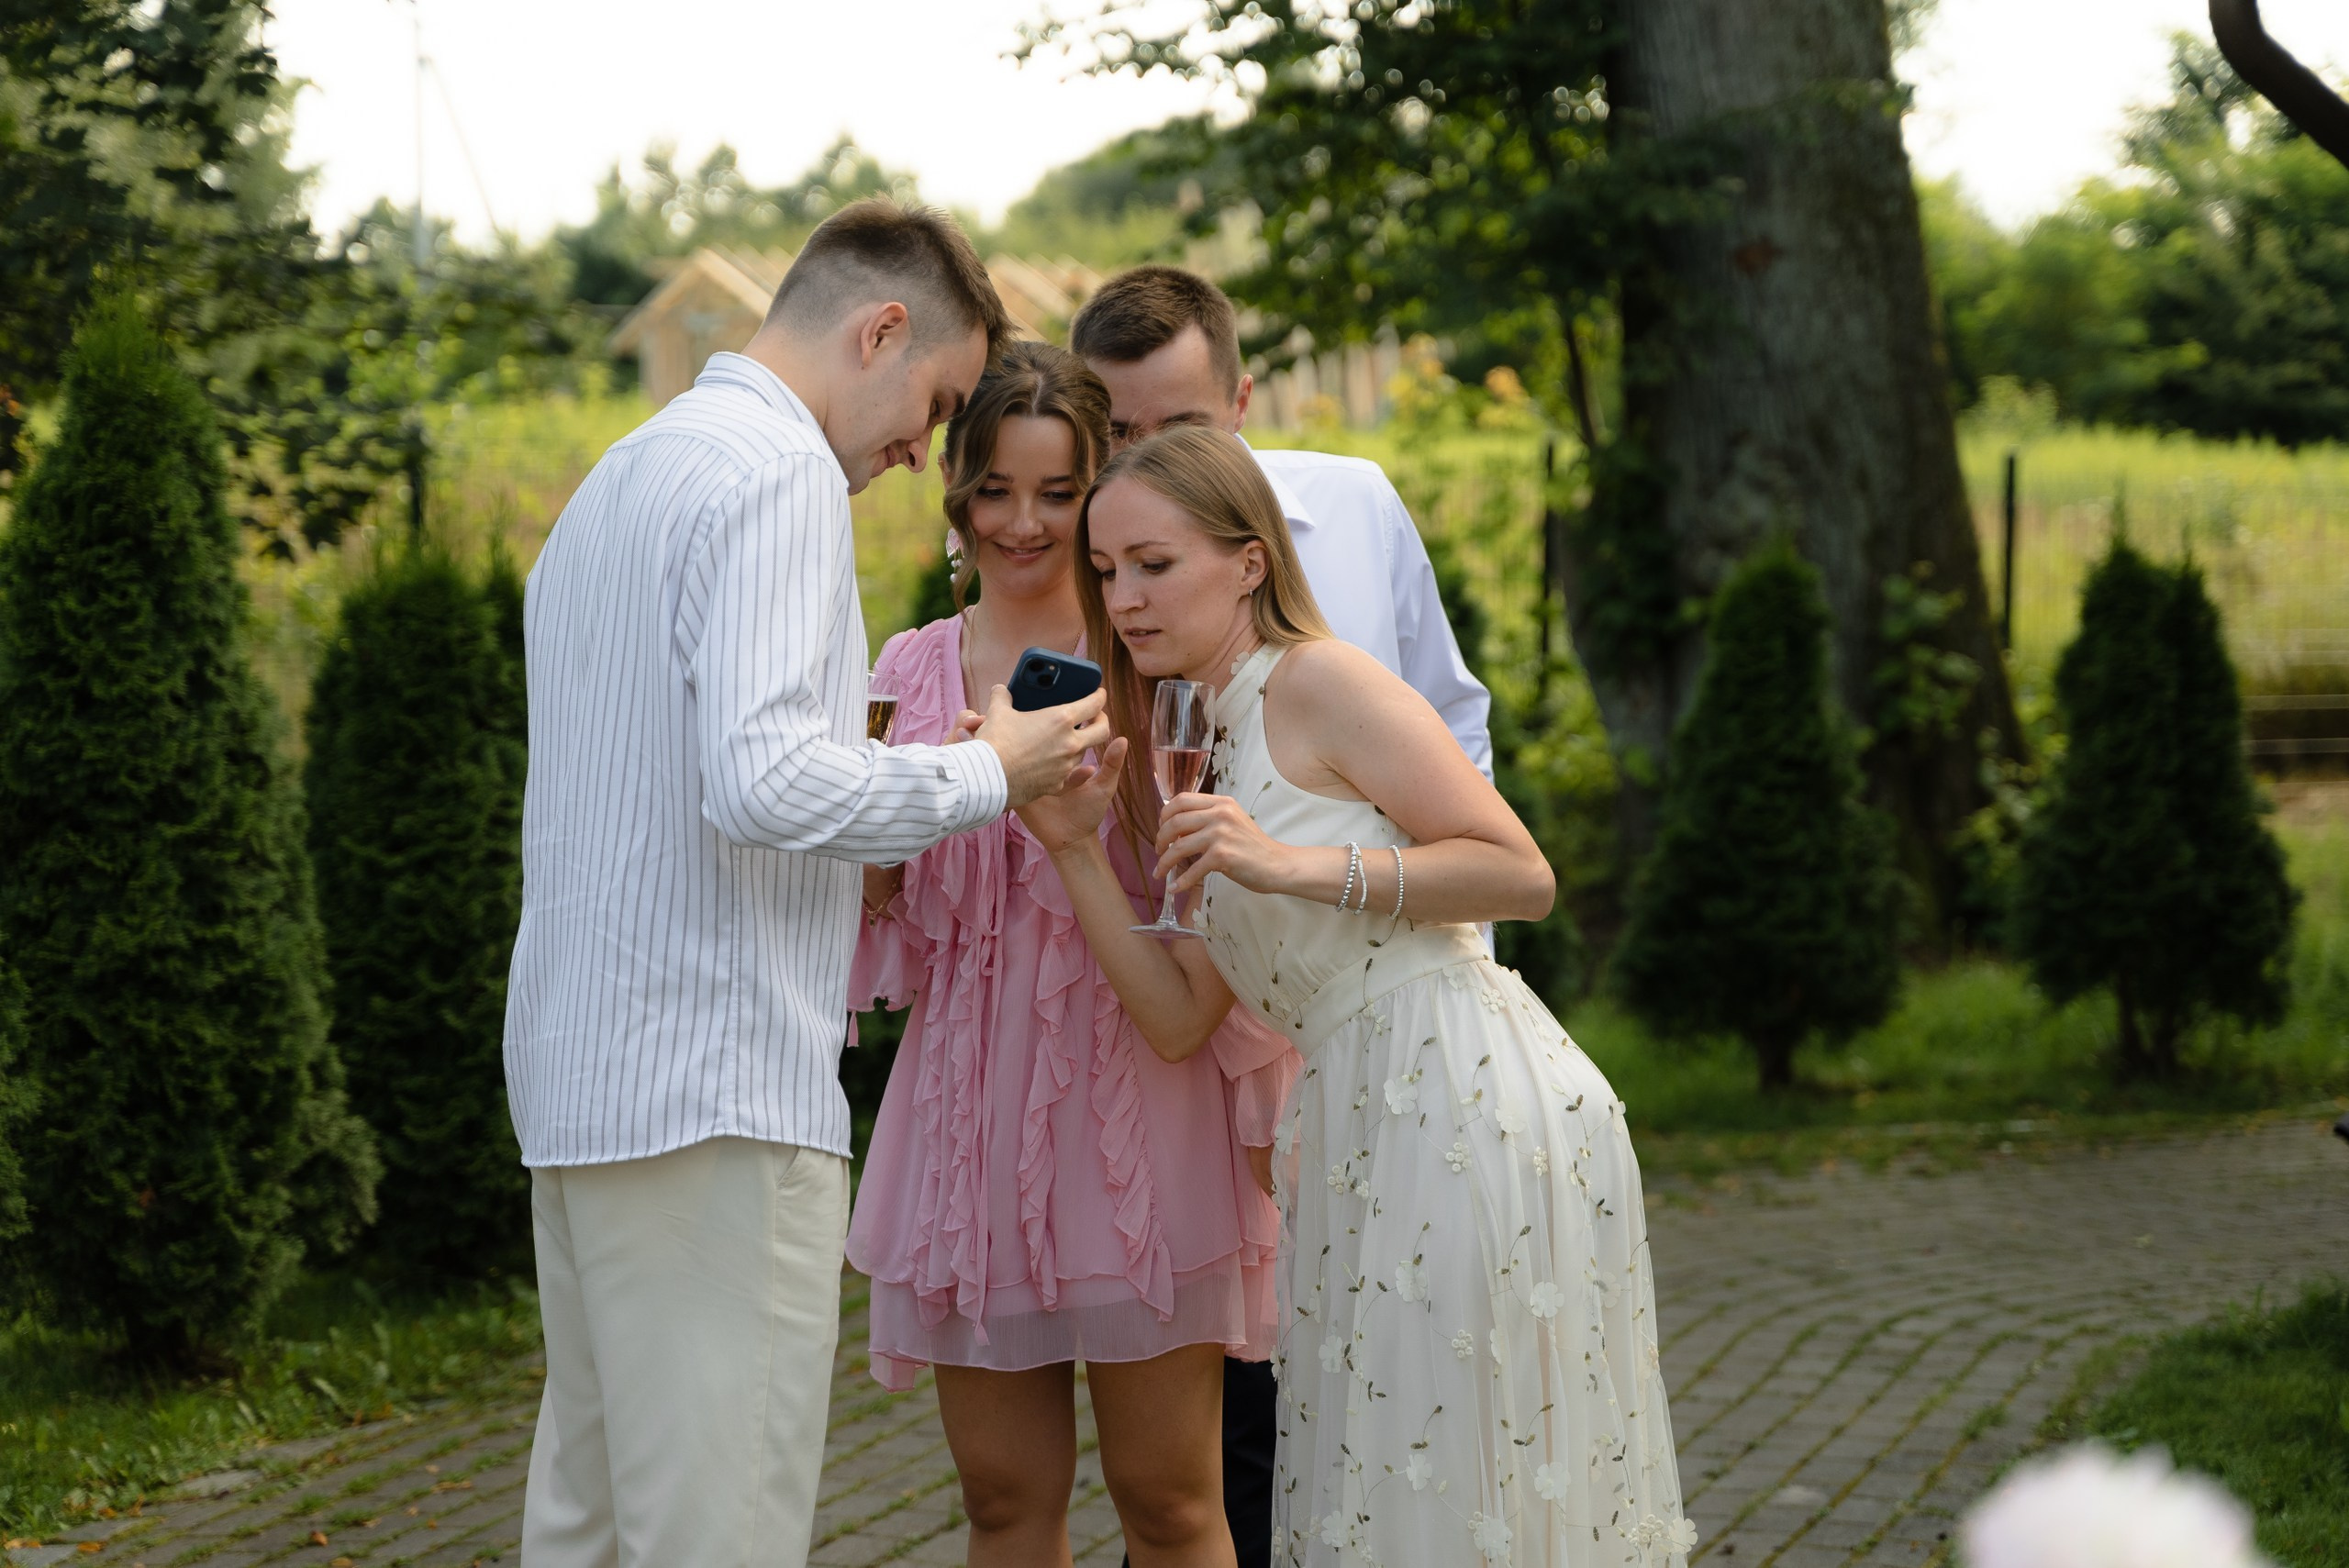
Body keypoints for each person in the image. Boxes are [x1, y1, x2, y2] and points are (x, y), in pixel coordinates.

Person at [503, 200, 1112, 1568]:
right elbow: (766, 783)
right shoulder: (775, 474)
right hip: (716, 1087)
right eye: (935, 405)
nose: (915, 453)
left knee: (592, 1526)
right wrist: (991, 773)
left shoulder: (626, 471)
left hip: (581, 1082)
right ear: (880, 328)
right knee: (716, 1534)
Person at [1015, 426, 1695, 1567]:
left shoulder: (1318, 679)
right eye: (1107, 570)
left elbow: (1519, 872)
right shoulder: (1204, 740)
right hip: (1350, 1125)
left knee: (1470, 1486)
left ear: (1246, 560)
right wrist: (1074, 848)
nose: (1124, 596)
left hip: (1467, 1097)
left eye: (1154, 563)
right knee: (1394, 1487)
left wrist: (1286, 863)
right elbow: (1181, 1017)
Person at [1070, 266, 1497, 1566]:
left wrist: (1441, 963)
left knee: (1414, 1402)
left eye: (1184, 422)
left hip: (1393, 1016)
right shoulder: (1101, 578)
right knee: (1252, 1419)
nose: (1152, 458)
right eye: (1122, 434)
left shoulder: (1356, 508)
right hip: (1223, 1020)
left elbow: (1453, 729)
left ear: (1245, 398)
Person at [845, 340, 1289, 1568]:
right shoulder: (908, 671)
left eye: (1056, 491)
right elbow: (886, 928)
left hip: (1139, 1118)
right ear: (956, 490)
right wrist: (882, 828)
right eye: (995, 487)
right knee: (1001, 1503)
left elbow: (1212, 924)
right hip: (967, 1123)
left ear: (1100, 489)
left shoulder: (1158, 665)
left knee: (1170, 1502)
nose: (1024, 521)